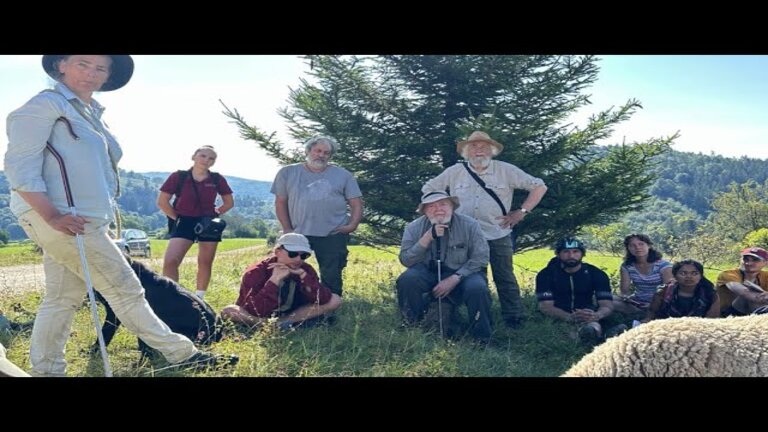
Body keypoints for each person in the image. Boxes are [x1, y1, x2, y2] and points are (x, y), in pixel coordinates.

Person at [3, 55, 236, 376]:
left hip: (82, 219)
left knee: (61, 298)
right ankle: (182, 354)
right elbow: (19, 168)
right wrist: (53, 216)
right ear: (61, 65)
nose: (91, 73)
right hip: (66, 220)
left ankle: (46, 370)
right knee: (126, 290)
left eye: (101, 68)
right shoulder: (45, 105)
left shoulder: (88, 113)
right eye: (83, 63)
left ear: (108, 76)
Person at [422, 131, 547, 327]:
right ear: (466, 151)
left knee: (504, 276)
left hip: (498, 232)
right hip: (463, 236)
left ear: (492, 150)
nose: (478, 150)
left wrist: (521, 212)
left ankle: (515, 319)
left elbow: (540, 186)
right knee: (469, 278)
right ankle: (474, 316)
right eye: (473, 146)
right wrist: (444, 212)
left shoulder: (506, 170)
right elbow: (428, 189)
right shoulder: (455, 172)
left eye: (483, 146)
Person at [271, 135, 363, 297]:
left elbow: (356, 203)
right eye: (317, 151)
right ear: (308, 151)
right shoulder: (287, 172)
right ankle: (288, 304)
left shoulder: (343, 175)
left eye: (326, 153)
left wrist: (352, 225)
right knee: (288, 270)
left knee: (332, 275)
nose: (321, 155)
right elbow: (280, 202)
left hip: (332, 233)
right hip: (297, 233)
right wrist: (287, 229)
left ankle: (330, 306)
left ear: (330, 156)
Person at [396, 191, 493, 343]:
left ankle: (482, 338)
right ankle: (411, 330)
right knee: (407, 280)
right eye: (431, 206)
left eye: (443, 204)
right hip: (427, 272)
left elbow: (481, 257)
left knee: (477, 288)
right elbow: (406, 260)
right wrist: (427, 238)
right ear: (424, 211)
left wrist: (456, 278)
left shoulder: (470, 225)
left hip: (464, 272)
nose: (438, 209)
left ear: (452, 207)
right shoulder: (413, 227)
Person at [157, 145, 234, 299]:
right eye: (203, 156)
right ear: (194, 157)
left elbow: (229, 202)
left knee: (205, 262)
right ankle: (172, 296)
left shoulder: (217, 179)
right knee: (171, 261)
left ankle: (199, 298)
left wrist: (215, 213)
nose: (206, 160)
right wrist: (177, 218)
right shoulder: (179, 176)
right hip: (184, 221)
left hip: (209, 223)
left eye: (211, 158)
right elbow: (162, 202)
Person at [220, 233, 342, 328]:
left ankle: (281, 323)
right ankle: (267, 324)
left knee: (335, 299)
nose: (298, 259)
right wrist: (274, 280)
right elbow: (255, 310)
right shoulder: (255, 272)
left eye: (304, 255)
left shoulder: (305, 270)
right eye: (293, 254)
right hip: (258, 315)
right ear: (277, 252)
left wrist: (304, 276)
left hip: (292, 313)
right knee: (229, 311)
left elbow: (322, 299)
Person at [535, 237, 624, 344]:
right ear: (558, 254)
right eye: (566, 252)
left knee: (593, 327)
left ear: (582, 254)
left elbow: (607, 305)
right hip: (558, 316)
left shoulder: (596, 274)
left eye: (575, 251)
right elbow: (545, 306)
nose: (571, 256)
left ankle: (602, 336)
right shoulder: (546, 275)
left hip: (587, 314)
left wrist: (597, 315)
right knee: (566, 334)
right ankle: (604, 338)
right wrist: (569, 317)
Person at [612, 234, 673, 319]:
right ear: (628, 249)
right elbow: (624, 291)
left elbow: (669, 291)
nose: (637, 247)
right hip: (637, 301)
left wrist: (652, 305)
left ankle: (647, 315)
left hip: (658, 303)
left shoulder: (663, 265)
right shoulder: (627, 266)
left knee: (611, 304)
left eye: (641, 244)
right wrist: (626, 298)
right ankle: (639, 313)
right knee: (605, 299)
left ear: (648, 246)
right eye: (632, 245)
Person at [644, 259, 719, 321]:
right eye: (683, 273)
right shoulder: (663, 292)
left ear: (701, 276)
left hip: (699, 329)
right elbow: (651, 314)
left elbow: (711, 321)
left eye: (694, 273)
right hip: (667, 329)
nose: (689, 276)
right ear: (675, 276)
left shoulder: (710, 294)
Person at [716, 247, 768, 316]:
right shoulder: (728, 274)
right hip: (727, 313)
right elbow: (744, 293)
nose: (748, 263)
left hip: (753, 311)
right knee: (749, 297)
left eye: (755, 260)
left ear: (765, 263)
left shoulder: (765, 275)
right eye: (745, 259)